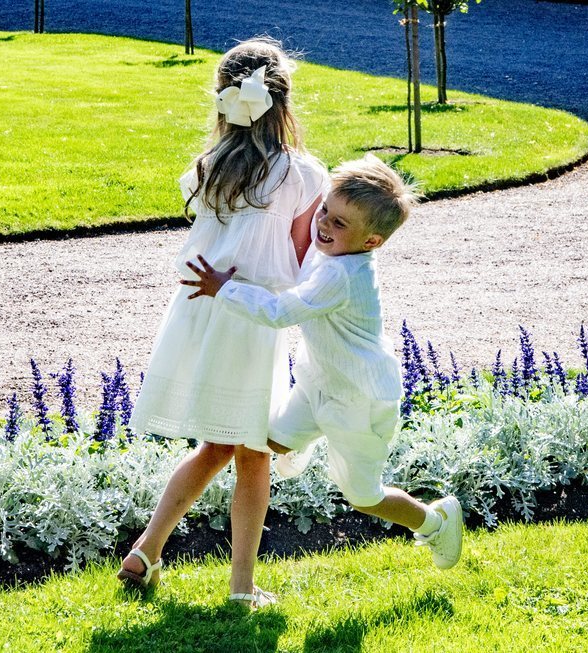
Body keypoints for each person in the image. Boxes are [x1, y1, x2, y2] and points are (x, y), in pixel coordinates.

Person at [117, 37, 328, 610]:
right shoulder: (300, 173)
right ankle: (241, 588)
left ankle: (147, 549)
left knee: (217, 445)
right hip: (251, 318)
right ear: (282, 104)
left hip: (203, 309)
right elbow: (304, 251)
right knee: (253, 451)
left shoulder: (206, 168)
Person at [182, 155, 464, 572]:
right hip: (319, 384)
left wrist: (224, 290)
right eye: (324, 212)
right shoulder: (329, 254)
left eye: (339, 223)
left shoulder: (342, 276)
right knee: (268, 442)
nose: (323, 226)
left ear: (371, 242)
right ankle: (306, 438)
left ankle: (436, 522)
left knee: (364, 496)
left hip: (360, 400)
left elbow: (281, 311)